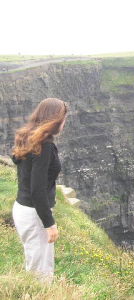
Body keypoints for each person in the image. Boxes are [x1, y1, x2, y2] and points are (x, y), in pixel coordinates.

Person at [10, 98, 68, 283]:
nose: (64, 123)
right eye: (63, 119)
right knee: (41, 273)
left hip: (22, 208)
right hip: (34, 213)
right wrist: (49, 223)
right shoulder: (44, 145)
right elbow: (37, 190)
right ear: (55, 120)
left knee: (34, 264)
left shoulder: (29, 137)